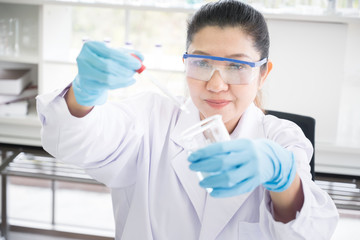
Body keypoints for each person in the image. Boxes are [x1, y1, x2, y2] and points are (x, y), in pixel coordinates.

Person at [36, 0, 339, 239]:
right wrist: (83, 93)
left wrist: (283, 178)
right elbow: (76, 139)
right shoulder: (150, 117)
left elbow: (310, 233)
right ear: (186, 63)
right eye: (202, 62)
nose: (216, 84)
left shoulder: (282, 139)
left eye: (237, 66)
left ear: (263, 74)